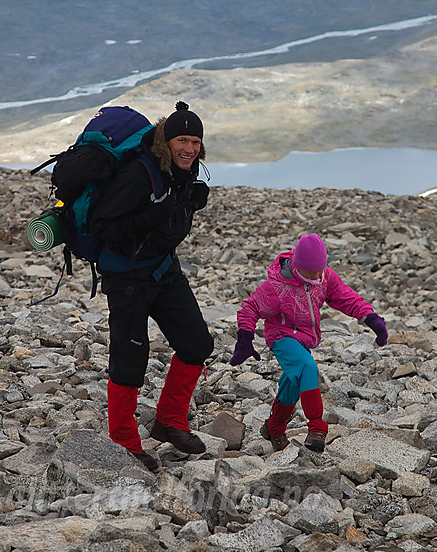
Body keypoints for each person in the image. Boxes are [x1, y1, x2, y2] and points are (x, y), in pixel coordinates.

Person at [89, 101, 214, 472]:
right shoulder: (138, 175)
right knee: (130, 361)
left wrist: (187, 204)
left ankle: (169, 421)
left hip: (162, 270)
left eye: (195, 141)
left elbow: (167, 221)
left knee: (197, 344)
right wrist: (155, 214)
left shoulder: (181, 172)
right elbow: (103, 226)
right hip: (127, 278)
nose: (189, 148)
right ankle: (124, 442)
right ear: (166, 141)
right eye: (182, 140)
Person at [229, 233, 388, 453]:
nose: (316, 276)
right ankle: (317, 427)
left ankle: (274, 428)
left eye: (319, 271)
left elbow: (346, 298)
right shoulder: (276, 287)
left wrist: (371, 318)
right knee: (307, 367)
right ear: (297, 266)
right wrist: (245, 338)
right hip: (281, 336)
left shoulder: (325, 278)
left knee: (293, 380)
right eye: (310, 272)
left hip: (304, 338)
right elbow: (250, 308)